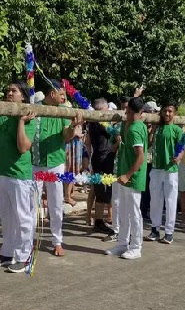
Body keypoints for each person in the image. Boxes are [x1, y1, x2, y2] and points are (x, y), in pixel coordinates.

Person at [0, 80, 37, 273]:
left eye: (13, 91)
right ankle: (7, 253)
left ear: (22, 95)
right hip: (0, 171)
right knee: (6, 216)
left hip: (18, 174)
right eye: (7, 90)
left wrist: (21, 122)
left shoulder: (28, 116)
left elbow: (23, 147)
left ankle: (24, 256)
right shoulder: (1, 113)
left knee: (22, 216)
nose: (9, 93)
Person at [32, 79, 84, 257]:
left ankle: (57, 241)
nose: (63, 97)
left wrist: (72, 126)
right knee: (32, 204)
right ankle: (30, 240)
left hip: (55, 164)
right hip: (35, 164)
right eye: (61, 93)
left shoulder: (63, 112)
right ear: (52, 93)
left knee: (55, 204)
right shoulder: (35, 108)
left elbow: (67, 136)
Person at [105, 97, 147, 259]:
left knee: (134, 213)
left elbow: (141, 157)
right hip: (122, 173)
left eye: (129, 111)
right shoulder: (126, 124)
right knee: (123, 211)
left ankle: (136, 247)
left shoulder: (136, 129)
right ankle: (122, 243)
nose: (127, 112)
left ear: (136, 112)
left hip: (133, 177)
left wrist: (128, 175)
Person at [146, 102, 183, 244]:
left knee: (171, 201)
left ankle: (169, 232)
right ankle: (155, 229)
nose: (167, 114)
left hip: (170, 170)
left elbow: (183, 147)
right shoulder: (158, 128)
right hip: (156, 168)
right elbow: (149, 143)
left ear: (174, 113)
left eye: (170, 111)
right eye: (165, 111)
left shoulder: (177, 130)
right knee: (155, 200)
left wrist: (178, 157)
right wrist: (152, 129)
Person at [85, 98, 115, 228]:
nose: (108, 111)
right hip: (101, 159)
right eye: (106, 109)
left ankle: (99, 219)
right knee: (101, 190)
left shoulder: (95, 121)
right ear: (100, 110)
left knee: (103, 190)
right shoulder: (99, 122)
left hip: (102, 158)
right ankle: (98, 220)